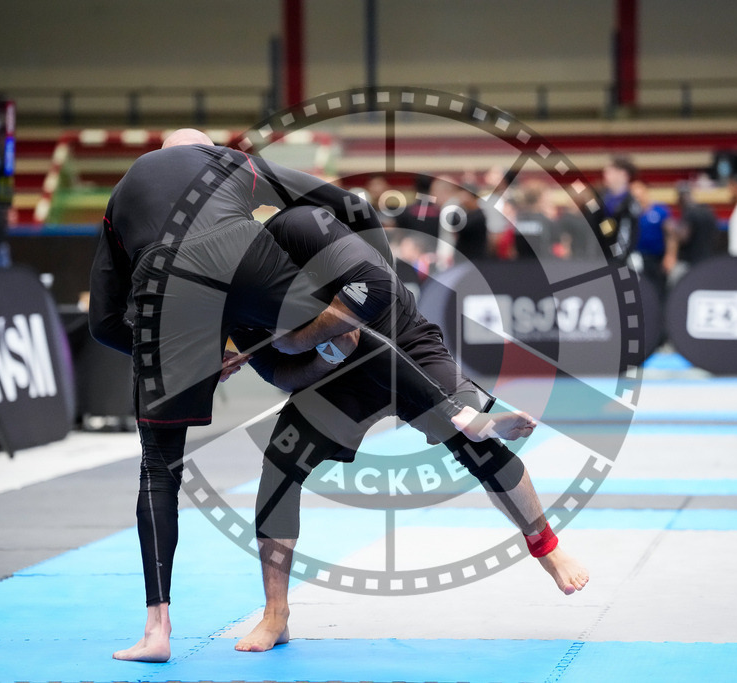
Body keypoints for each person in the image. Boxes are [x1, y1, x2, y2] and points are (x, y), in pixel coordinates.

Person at [88, 129, 547, 663]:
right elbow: (347, 207)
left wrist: (171, 354)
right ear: (203, 151)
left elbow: (102, 322)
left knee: (157, 469)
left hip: (167, 291)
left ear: (161, 155)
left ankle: (156, 629)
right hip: (247, 265)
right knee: (341, 341)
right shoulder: (230, 164)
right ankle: (462, 416)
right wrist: (369, 273)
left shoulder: (122, 194)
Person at [227, 205, 589, 654]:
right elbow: (281, 375)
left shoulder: (302, 233)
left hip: (407, 344)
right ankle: (275, 612)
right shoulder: (235, 299)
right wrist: (326, 357)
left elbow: (375, 289)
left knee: (476, 444)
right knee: (281, 466)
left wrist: (297, 338)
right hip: (338, 379)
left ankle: (546, 546)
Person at [666, 182, 717, 287]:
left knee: (674, 285)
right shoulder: (708, 210)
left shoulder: (689, 212)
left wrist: (672, 229)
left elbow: (684, 236)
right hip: (707, 259)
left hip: (689, 262)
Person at [600, 156, 640, 263]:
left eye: (610, 172)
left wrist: (617, 260)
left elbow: (626, 234)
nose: (605, 175)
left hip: (620, 259)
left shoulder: (629, 203)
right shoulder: (602, 197)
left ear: (623, 174)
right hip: (602, 256)